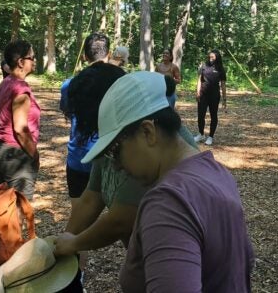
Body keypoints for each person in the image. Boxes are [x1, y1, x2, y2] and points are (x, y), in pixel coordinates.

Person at [77, 71, 254, 292]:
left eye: (115, 150)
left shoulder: (168, 203)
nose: (116, 165)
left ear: (148, 132)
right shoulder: (217, 173)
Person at [54, 70, 196, 267]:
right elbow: (90, 198)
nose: (116, 163)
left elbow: (122, 218)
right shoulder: (121, 140)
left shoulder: (149, 148)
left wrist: (74, 243)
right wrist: (61, 243)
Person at [61, 33, 110, 207]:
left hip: (78, 157)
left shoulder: (68, 85)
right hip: (108, 159)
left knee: (79, 210)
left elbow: (67, 112)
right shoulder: (117, 85)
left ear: (84, 56)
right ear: (108, 54)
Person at [0, 40, 40, 200]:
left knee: (2, 205)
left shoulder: (5, 83)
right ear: (21, 62)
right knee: (18, 207)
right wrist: (33, 153)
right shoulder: (20, 89)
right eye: (32, 57)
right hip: (16, 154)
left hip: (0, 149)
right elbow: (20, 129)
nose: (35, 61)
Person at [194, 49, 227, 146]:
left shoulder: (220, 68)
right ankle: (201, 134)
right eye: (209, 57)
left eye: (212, 57)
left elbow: (223, 84)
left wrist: (224, 99)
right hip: (203, 94)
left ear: (217, 57)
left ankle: (210, 137)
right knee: (200, 115)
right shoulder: (204, 66)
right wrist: (197, 92)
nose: (210, 58)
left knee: (213, 115)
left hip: (214, 95)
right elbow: (199, 79)